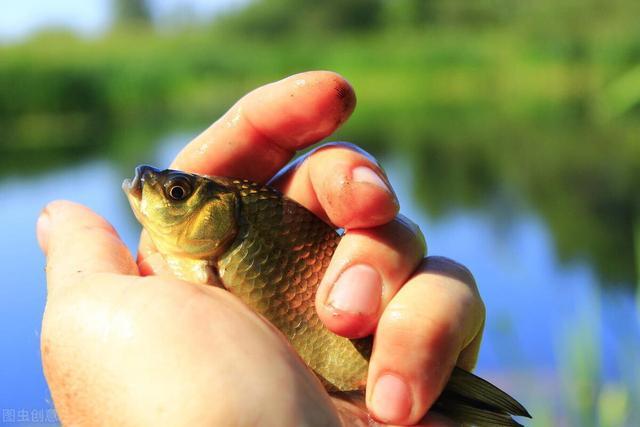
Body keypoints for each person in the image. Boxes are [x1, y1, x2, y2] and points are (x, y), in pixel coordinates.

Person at [37, 71, 485, 426]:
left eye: (176, 194)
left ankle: (449, 396)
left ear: (221, 219)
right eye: (179, 192)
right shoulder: (167, 288)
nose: (156, 190)